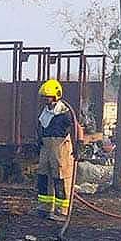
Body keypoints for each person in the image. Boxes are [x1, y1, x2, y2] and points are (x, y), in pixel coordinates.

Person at [35, 79, 76, 222]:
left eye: (48, 97)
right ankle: (44, 208)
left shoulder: (65, 112)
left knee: (60, 178)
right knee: (43, 176)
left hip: (60, 147)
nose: (46, 99)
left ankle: (62, 211)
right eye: (45, 97)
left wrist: (79, 147)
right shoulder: (46, 112)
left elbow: (78, 130)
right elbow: (41, 127)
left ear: (55, 96)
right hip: (46, 146)